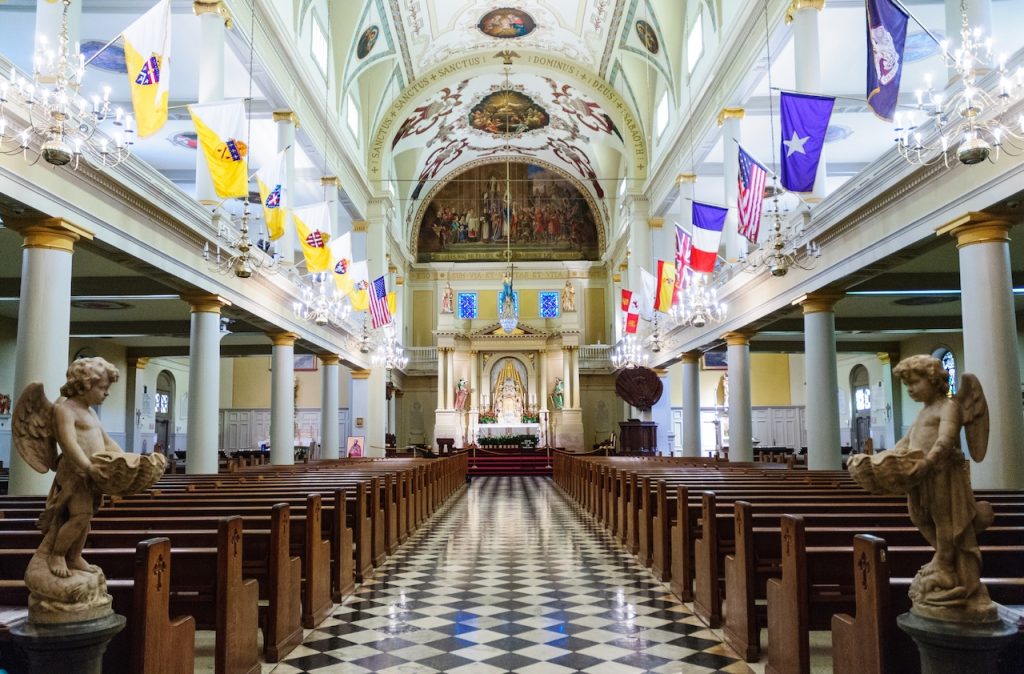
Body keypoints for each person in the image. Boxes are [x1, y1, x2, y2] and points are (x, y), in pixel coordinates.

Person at [47, 358, 123, 577]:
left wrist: (127, 458)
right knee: (80, 515)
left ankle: (74, 556)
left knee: (85, 517)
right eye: (102, 388)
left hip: (92, 475)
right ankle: (58, 555)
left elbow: (106, 441)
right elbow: (68, 443)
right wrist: (88, 467)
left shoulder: (90, 412)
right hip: (75, 474)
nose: (106, 393)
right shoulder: (65, 410)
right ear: (85, 385)